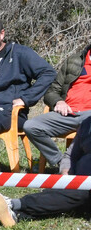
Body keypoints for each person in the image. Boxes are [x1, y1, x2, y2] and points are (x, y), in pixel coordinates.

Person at [0, 117, 91, 227]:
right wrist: (65, 171)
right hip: (76, 180)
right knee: (61, 195)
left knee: (78, 193)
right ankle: (16, 215)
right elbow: (70, 155)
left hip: (85, 187)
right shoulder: (87, 124)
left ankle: (14, 204)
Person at [20, 40, 91, 173]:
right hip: (67, 113)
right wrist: (58, 102)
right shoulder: (74, 61)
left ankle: (80, 166)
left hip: (89, 116)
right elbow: (52, 91)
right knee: (31, 126)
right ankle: (61, 162)